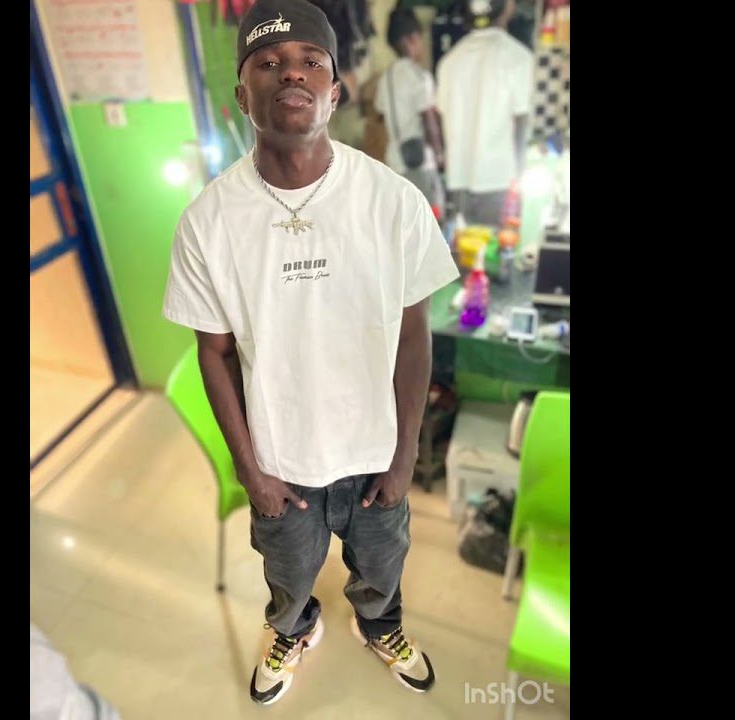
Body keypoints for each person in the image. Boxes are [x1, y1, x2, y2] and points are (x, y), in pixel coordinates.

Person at [161, 0, 458, 706]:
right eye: (268, 63)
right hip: (281, 458)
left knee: (381, 563)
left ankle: (380, 624)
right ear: (243, 96)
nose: (290, 73)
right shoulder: (208, 221)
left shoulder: (391, 201)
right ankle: (293, 630)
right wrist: (250, 469)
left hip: (375, 449)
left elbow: (414, 332)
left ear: (335, 90)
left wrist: (405, 450)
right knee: (288, 577)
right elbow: (214, 354)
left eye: (310, 62)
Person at [435, 0, 533, 227]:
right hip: (500, 181)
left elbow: (441, 118)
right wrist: (520, 175)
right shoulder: (519, 58)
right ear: (507, 8)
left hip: (458, 180)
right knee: (499, 244)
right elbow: (522, 123)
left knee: (463, 244)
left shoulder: (449, 61)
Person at [374, 7, 446, 218]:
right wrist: (439, 153)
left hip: (394, 161)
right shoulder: (419, 76)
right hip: (420, 162)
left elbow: (379, 113)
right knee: (431, 219)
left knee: (403, 220)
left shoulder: (385, 78)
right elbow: (428, 118)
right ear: (411, 39)